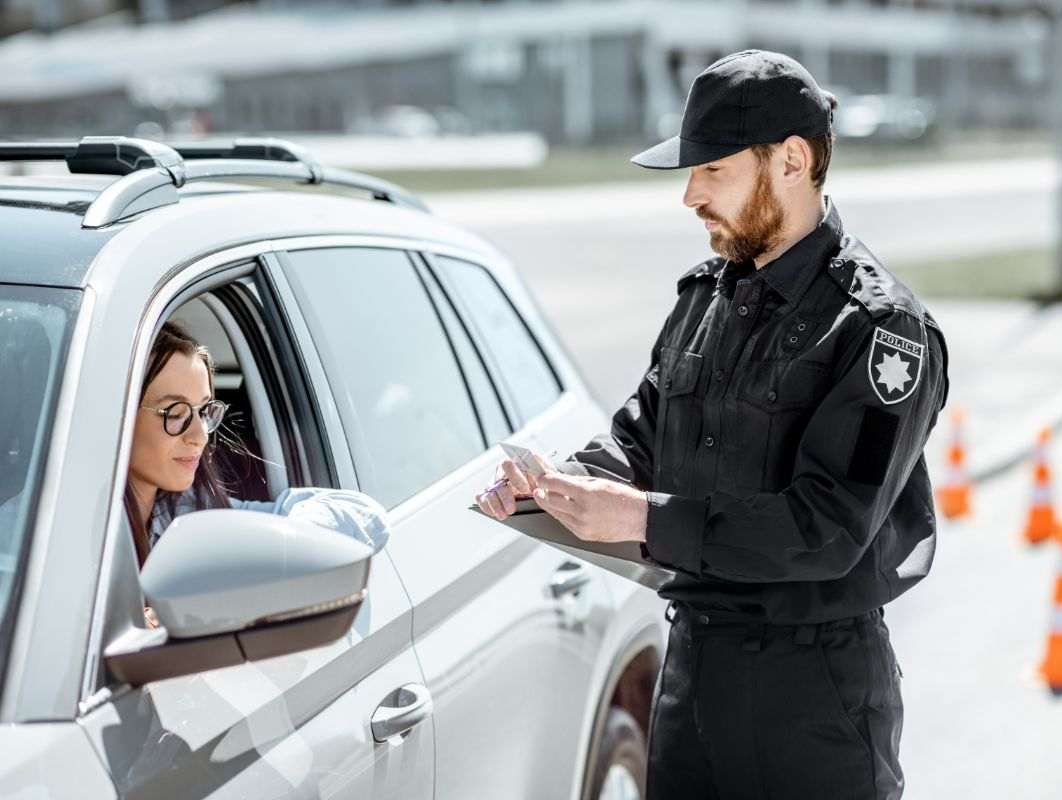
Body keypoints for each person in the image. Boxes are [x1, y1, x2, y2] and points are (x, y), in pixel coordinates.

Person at [476, 51, 949, 799]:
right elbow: (641, 435)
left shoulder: (879, 330)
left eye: (713, 171)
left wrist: (637, 518)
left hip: (812, 697)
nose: (690, 196)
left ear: (792, 160)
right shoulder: (707, 296)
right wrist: (563, 484)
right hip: (692, 673)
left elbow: (826, 529)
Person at [127, 321, 388, 625]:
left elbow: (364, 514)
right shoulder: (73, 539)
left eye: (204, 411)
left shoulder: (190, 511)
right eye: (176, 412)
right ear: (119, 413)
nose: (199, 435)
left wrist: (285, 555)